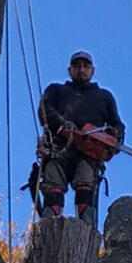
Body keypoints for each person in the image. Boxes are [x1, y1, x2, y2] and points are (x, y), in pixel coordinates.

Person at [38, 51, 125, 224]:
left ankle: (85, 230)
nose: (81, 70)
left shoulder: (104, 97)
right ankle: (48, 228)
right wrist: (63, 124)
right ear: (69, 70)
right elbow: (45, 111)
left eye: (85, 66)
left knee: (86, 187)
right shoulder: (56, 90)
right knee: (53, 187)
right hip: (58, 148)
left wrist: (114, 136)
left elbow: (117, 125)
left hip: (88, 153)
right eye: (77, 66)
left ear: (92, 70)